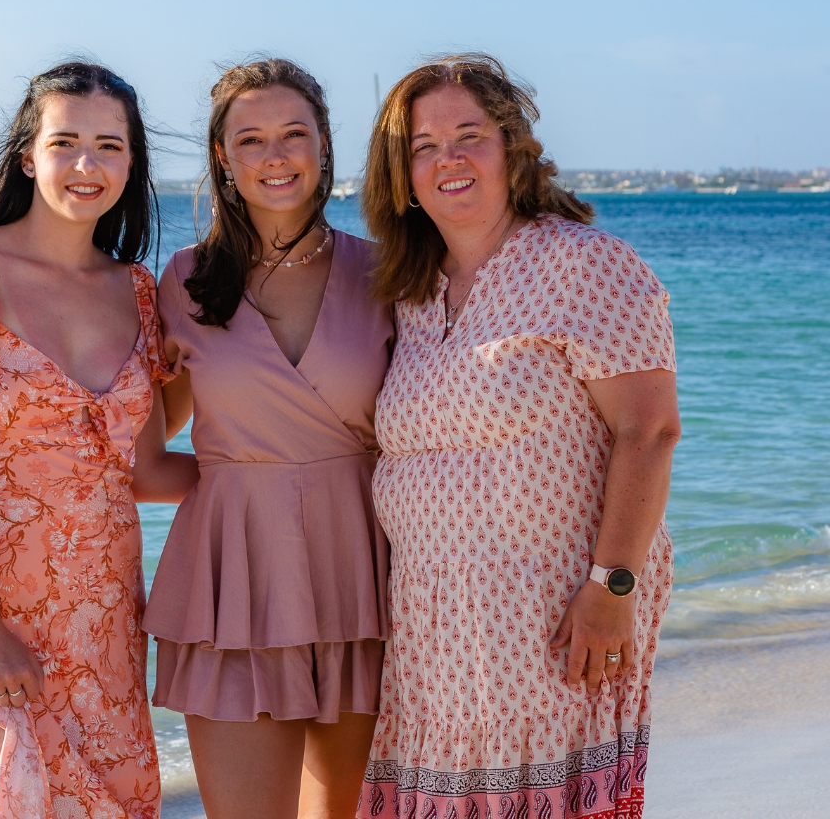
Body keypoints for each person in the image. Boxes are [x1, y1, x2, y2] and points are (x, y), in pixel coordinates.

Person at [357, 54, 680, 819]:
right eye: (424, 147)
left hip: (558, 617)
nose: (450, 160)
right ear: (402, 174)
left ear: (513, 148)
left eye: (470, 136)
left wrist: (612, 588)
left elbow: (651, 430)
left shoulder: (584, 265)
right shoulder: (409, 290)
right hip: (434, 630)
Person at [0, 62, 197, 819]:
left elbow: (138, 467)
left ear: (132, 163)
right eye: (66, 142)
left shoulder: (137, 293)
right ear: (30, 156)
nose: (87, 165)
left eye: (109, 147)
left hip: (105, 630)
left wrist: (285, 470)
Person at [142, 58, 394, 819]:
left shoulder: (387, 273)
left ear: (323, 144)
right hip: (232, 582)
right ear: (223, 158)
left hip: (363, 574)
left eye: (293, 133)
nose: (274, 155)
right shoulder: (185, 281)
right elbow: (144, 443)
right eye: (250, 139)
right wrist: (232, 482)